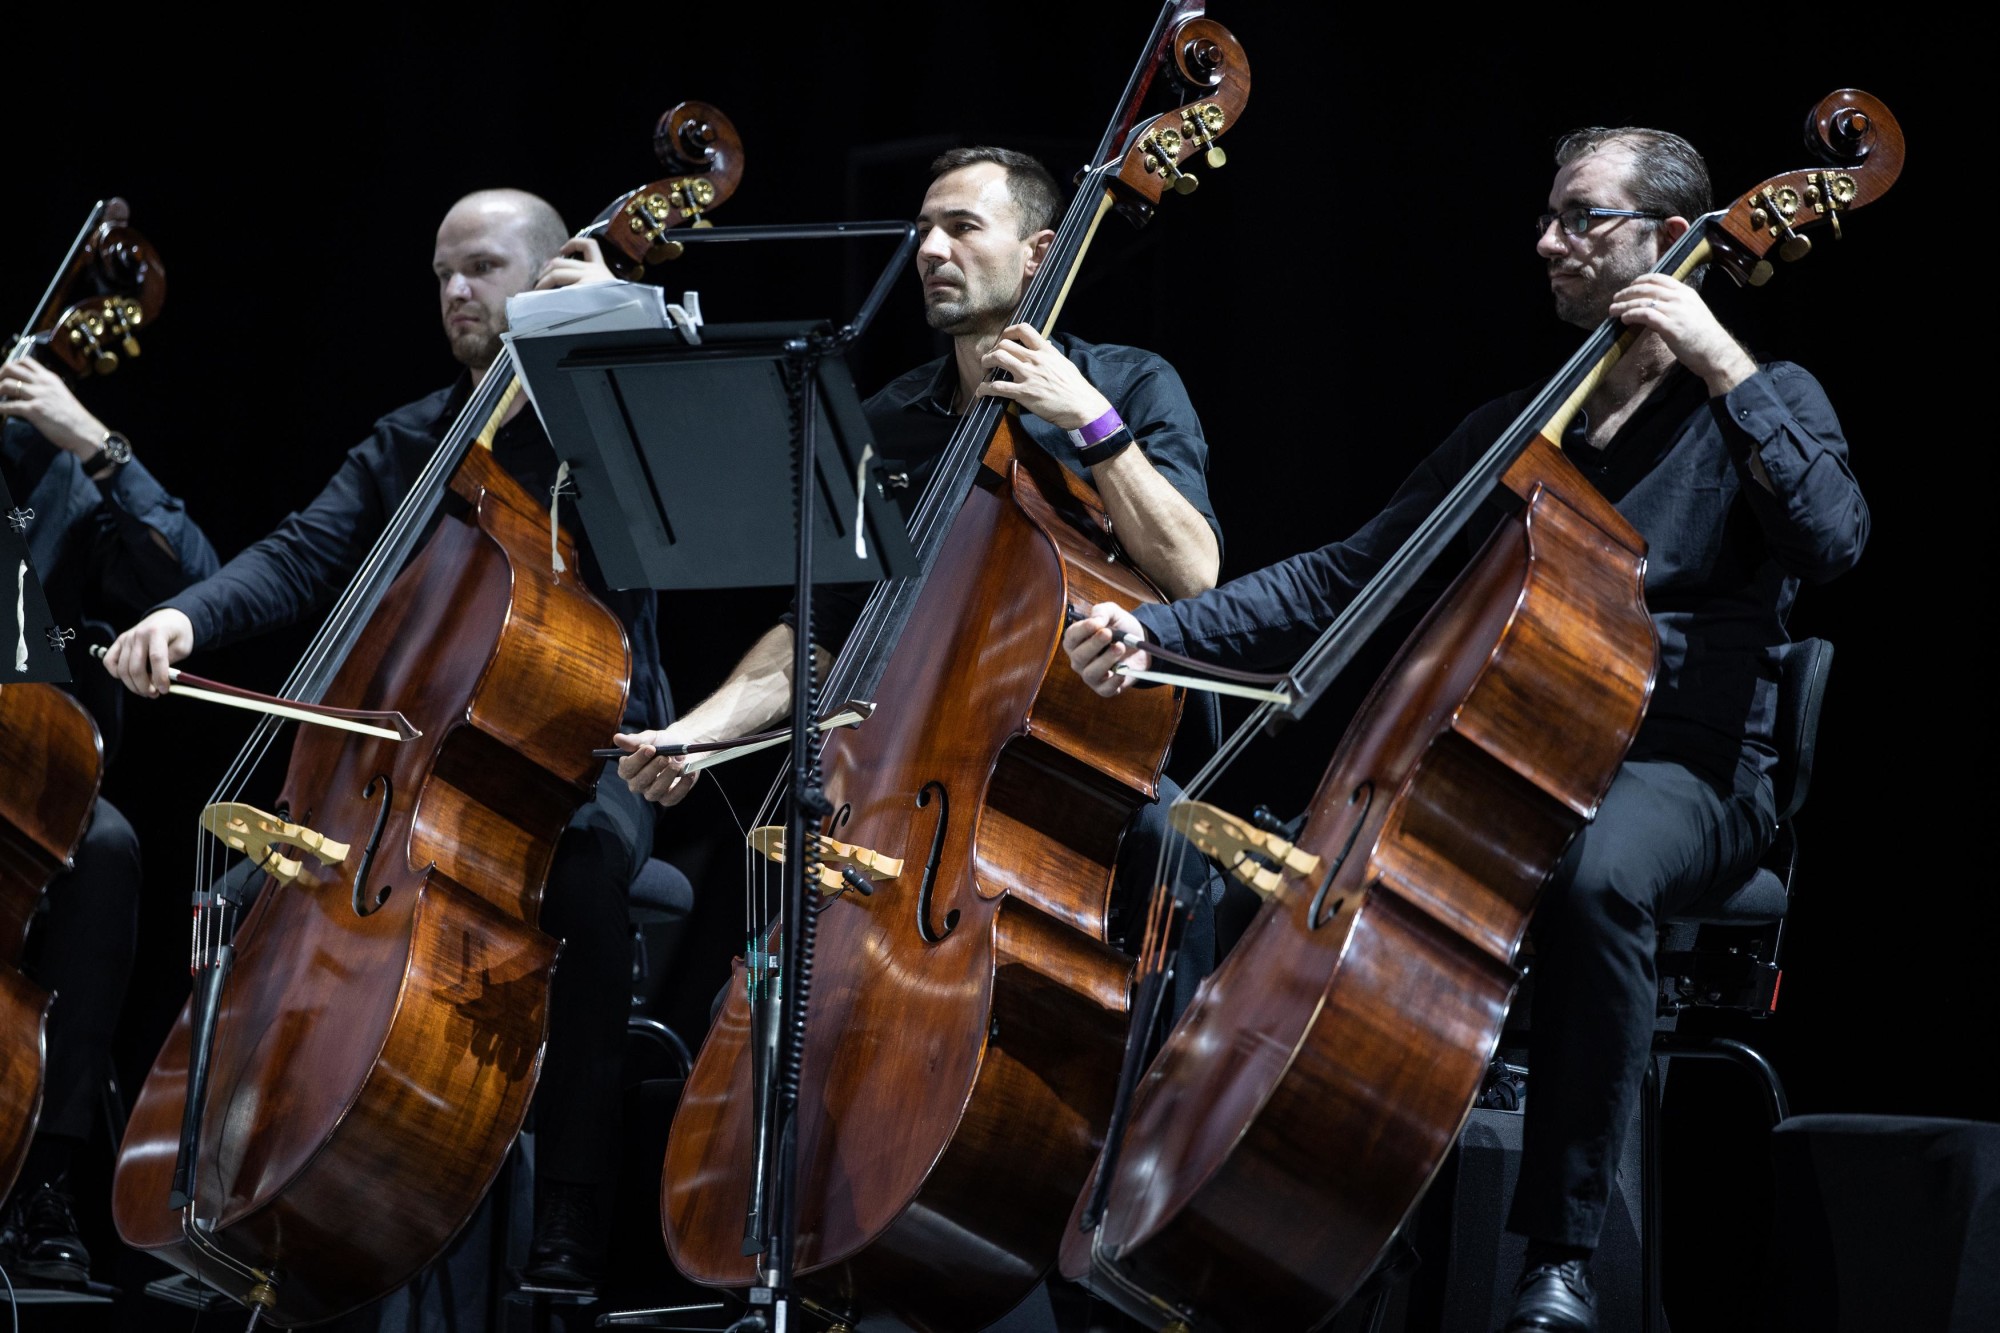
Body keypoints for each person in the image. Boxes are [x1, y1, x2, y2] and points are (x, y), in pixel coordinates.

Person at [1062, 126, 1867, 1333]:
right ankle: (1286, 1221)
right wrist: (1160, 631)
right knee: (1261, 871)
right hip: (1512, 759)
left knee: (1596, 877)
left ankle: (1559, 1255)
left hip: (1687, 769)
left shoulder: (1760, 396)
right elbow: (1346, 576)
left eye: (1580, 218)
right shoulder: (1525, 424)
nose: (1546, 241)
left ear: (1666, 240)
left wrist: (1720, 361)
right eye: (1549, 216)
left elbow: (1832, 541)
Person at [99, 188, 671, 1288]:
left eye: (486, 269)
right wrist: (188, 614)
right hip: (409, 764)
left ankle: (570, 1216)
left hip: (590, 753)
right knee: (240, 901)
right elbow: (304, 552)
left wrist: (618, 330)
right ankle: (232, 1192)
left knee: (588, 872)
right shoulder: (415, 436)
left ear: (552, 274)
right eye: (443, 274)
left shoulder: (613, 422)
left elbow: (696, 495)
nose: (458, 292)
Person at [610, 145, 1225, 983]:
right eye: (923, 231)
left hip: (1082, 772)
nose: (930, 251)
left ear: (1040, 253)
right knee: (772, 931)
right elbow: (817, 635)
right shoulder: (886, 421)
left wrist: (1093, 423)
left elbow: (1194, 574)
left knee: (1169, 843)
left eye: (962, 228)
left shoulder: (1129, 384)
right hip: (910, 783)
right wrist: (695, 732)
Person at [0, 354, 219, 1283]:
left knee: (112, 847)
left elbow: (195, 571)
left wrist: (89, 439)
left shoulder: (54, 471)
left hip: (25, 776)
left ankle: (43, 1174)